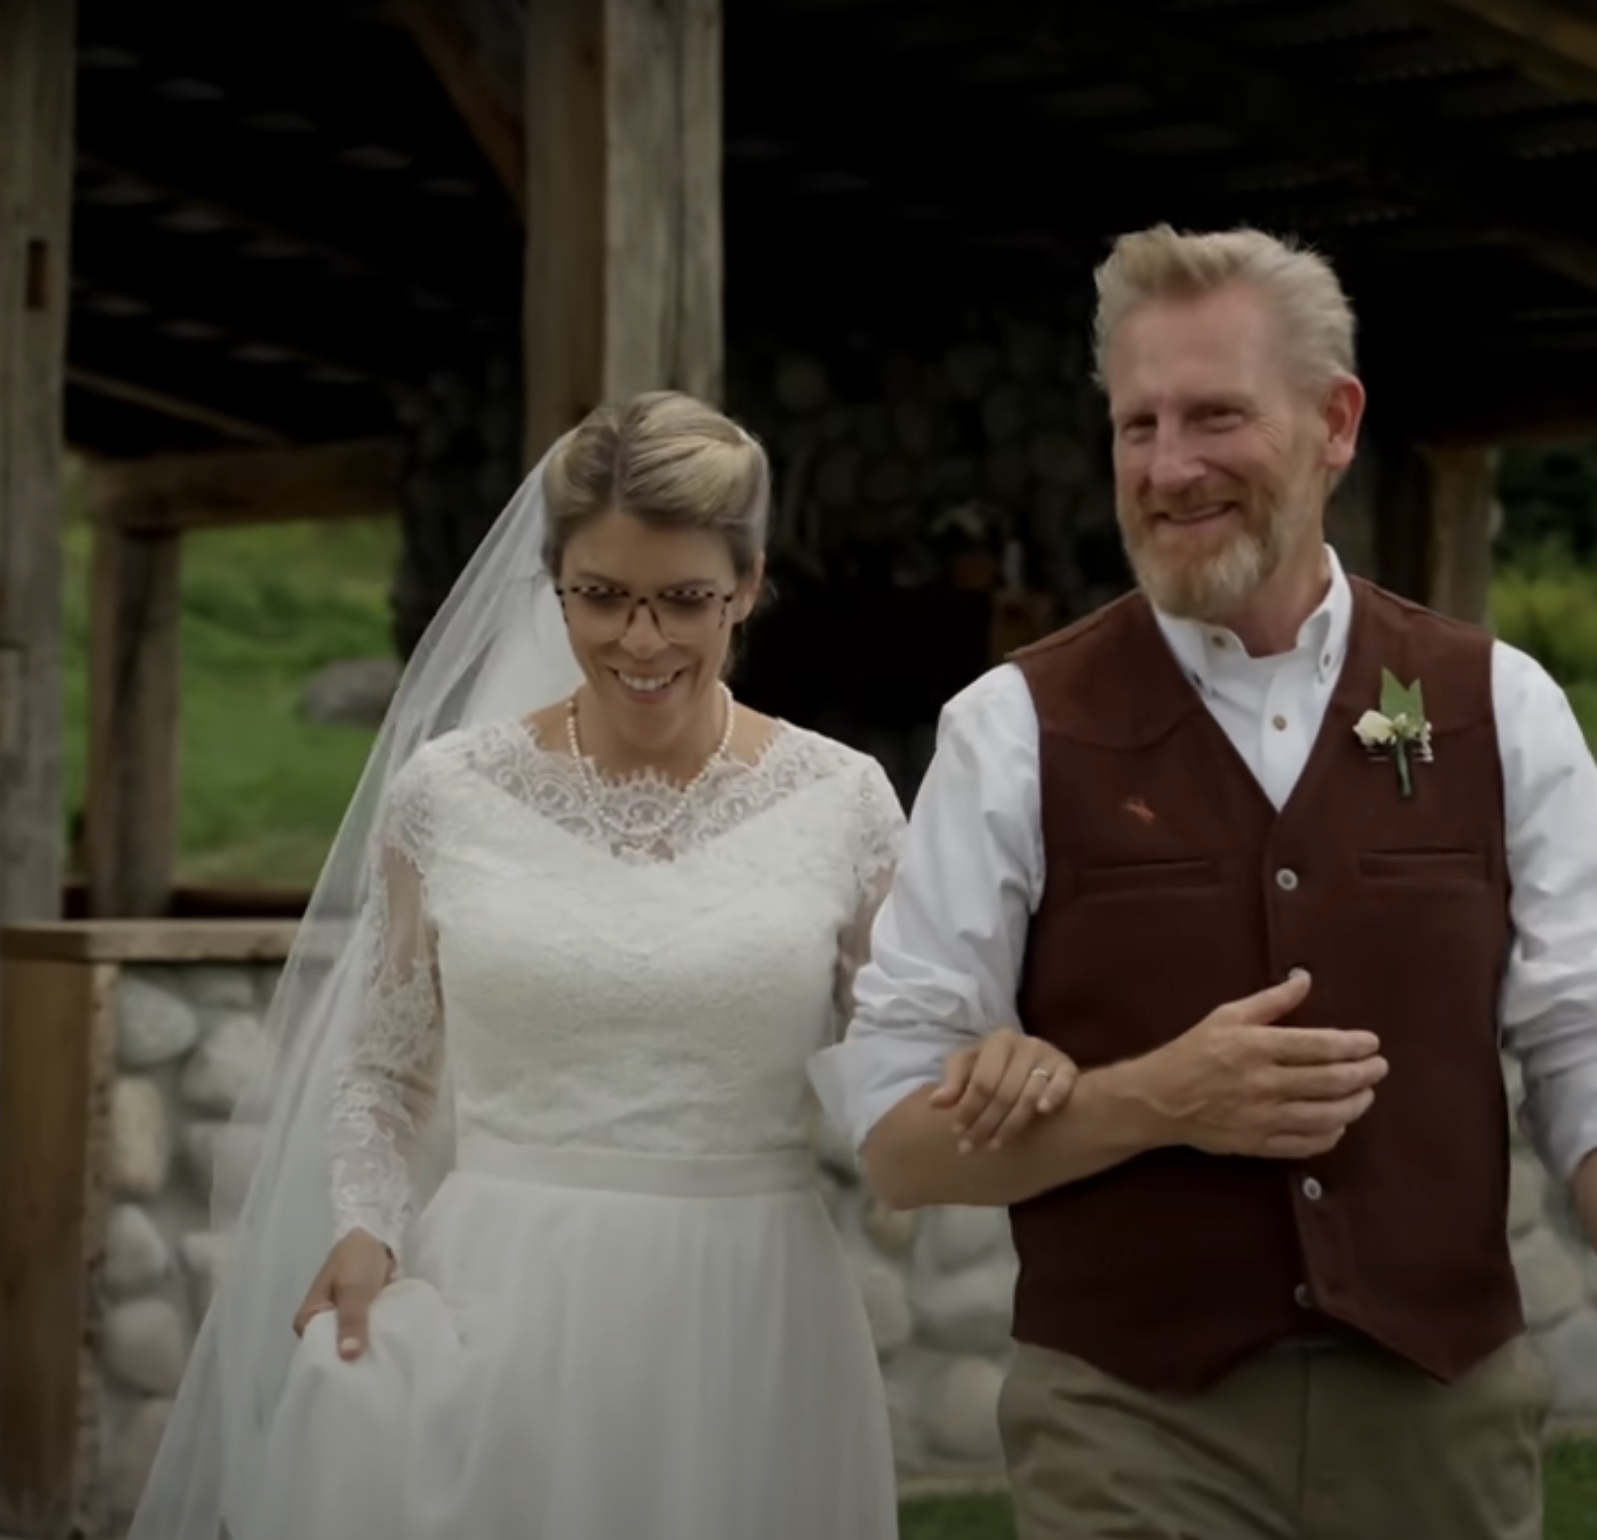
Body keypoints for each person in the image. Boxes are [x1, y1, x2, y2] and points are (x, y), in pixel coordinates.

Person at [811, 225, 1597, 1540]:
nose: (1169, 467)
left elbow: (1592, 1045)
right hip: (1129, 1426)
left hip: (1440, 1422)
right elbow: (900, 1141)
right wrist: (1153, 1100)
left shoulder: (1497, 706)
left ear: (1335, 422)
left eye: (1213, 417)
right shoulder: (1012, 729)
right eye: (1137, 426)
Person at [121, 390, 1075, 1540]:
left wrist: (998, 1049)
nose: (641, 640)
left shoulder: (846, 801)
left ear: (749, 586)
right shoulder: (447, 794)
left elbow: (920, 1046)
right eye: (603, 596)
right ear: (555, 584)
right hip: (502, 1294)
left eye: (685, 601)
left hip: (749, 1313)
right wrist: (366, 1224)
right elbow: (384, 1069)